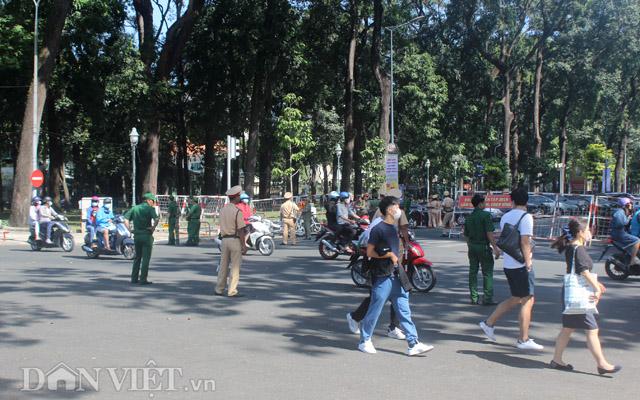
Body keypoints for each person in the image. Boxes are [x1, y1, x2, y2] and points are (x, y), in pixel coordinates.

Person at [358, 195, 434, 356]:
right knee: (375, 309)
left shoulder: (393, 228)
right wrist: (389, 255)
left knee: (404, 310)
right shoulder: (379, 228)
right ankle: (365, 341)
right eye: (397, 206)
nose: (399, 209)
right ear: (389, 209)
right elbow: (370, 252)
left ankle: (413, 343)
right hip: (382, 275)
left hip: (396, 274)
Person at [549, 219, 621, 375]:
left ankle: (556, 360)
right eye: (588, 230)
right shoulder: (578, 248)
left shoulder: (572, 246)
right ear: (580, 233)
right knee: (592, 329)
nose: (590, 232)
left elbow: (579, 271)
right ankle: (602, 364)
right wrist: (596, 288)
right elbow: (583, 271)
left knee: (568, 329)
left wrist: (597, 283)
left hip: (572, 294)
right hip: (580, 296)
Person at [479, 188, 543, 351]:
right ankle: (523, 339)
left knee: (516, 298)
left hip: (509, 263)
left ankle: (488, 323)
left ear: (512, 201)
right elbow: (525, 241)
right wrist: (528, 262)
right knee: (528, 299)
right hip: (521, 264)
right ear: (526, 201)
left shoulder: (506, 216)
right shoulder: (526, 217)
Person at [464, 194, 501, 305]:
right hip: (483, 247)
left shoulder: (469, 217)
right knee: (487, 273)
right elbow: (489, 233)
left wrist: (470, 246)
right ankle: (487, 298)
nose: (485, 204)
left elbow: (466, 235)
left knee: (473, 272)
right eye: (484, 202)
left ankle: (474, 297)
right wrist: (495, 248)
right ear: (480, 204)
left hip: (472, 246)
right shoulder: (485, 215)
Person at [215, 185, 248, 297]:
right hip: (234, 240)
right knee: (235, 267)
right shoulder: (237, 211)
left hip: (224, 240)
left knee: (223, 265)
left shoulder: (222, 210)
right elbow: (240, 230)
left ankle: (219, 289)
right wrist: (244, 245)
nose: (240, 198)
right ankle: (232, 291)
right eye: (239, 196)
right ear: (236, 197)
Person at [124, 193, 159, 285]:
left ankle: (134, 278)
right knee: (146, 259)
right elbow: (156, 219)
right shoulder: (150, 209)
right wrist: (153, 228)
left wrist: (130, 230)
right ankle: (143, 279)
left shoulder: (135, 208)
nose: (153, 203)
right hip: (146, 235)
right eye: (153, 201)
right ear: (148, 200)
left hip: (137, 236)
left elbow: (125, 219)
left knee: (137, 257)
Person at [610, 197, 639, 267]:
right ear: (626, 205)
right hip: (619, 233)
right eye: (630, 204)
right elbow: (620, 223)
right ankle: (633, 260)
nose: (631, 205)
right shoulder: (619, 213)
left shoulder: (623, 212)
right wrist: (627, 219)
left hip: (620, 232)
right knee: (637, 240)